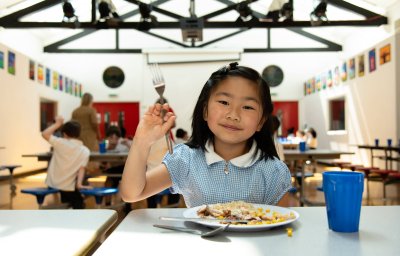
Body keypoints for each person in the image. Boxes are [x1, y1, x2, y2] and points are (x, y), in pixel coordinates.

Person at [120, 62, 291, 208]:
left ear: (261, 121)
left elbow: (281, 226)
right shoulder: (185, 159)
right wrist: (142, 141)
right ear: (205, 111)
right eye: (224, 102)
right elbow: (132, 194)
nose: (233, 114)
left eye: (247, 107)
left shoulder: (274, 172)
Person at [42, 116, 91, 209]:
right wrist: (79, 184)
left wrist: (57, 124)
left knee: (71, 199)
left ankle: (66, 211)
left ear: (64, 134)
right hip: (68, 187)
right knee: (78, 201)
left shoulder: (59, 142)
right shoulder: (85, 150)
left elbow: (44, 134)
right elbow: (82, 169)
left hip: (52, 184)